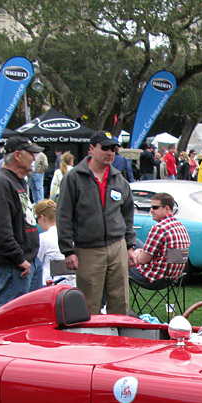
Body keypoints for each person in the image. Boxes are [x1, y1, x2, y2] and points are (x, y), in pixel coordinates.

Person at [57, 130, 137, 315]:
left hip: (117, 245)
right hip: (88, 249)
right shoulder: (74, 177)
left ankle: (119, 340)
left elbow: (127, 214)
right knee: (89, 302)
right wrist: (68, 250)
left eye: (114, 149)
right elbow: (64, 215)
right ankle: (91, 341)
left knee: (120, 301)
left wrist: (130, 246)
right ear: (91, 149)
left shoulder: (119, 178)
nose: (110, 153)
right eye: (106, 148)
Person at [0, 135, 43, 307]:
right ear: (17, 155)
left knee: (29, 317)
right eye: (31, 153)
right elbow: (0, 230)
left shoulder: (18, 182)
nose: (34, 158)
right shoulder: (2, 183)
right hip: (14, 265)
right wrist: (18, 259)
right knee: (12, 318)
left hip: (27, 261)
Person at [132, 191, 190, 283]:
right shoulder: (180, 226)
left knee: (120, 264)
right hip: (174, 276)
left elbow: (143, 260)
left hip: (155, 277)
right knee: (137, 242)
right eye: (150, 207)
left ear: (166, 209)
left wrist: (135, 254)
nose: (151, 210)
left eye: (155, 207)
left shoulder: (159, 228)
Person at [34, 199, 65, 285]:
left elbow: (37, 262)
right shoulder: (67, 236)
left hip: (49, 284)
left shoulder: (43, 238)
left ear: (42, 217)